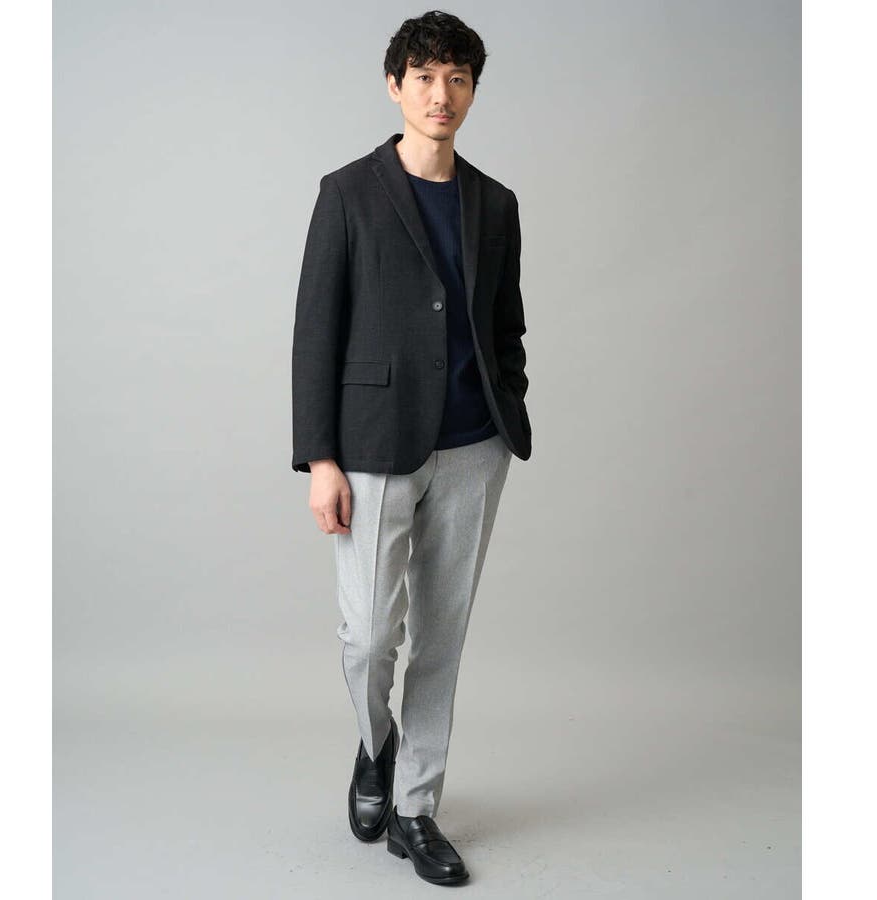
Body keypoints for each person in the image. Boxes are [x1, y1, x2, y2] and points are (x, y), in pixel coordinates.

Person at [291, 10, 532, 886]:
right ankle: (376, 745)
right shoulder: (346, 193)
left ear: (472, 91)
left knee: (440, 637)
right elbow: (316, 331)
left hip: (473, 448)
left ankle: (416, 809)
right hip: (371, 448)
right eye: (426, 77)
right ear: (395, 86)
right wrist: (321, 458)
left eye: (458, 79)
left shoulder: (495, 203)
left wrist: (508, 403)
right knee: (369, 635)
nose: (442, 95)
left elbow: (505, 326)